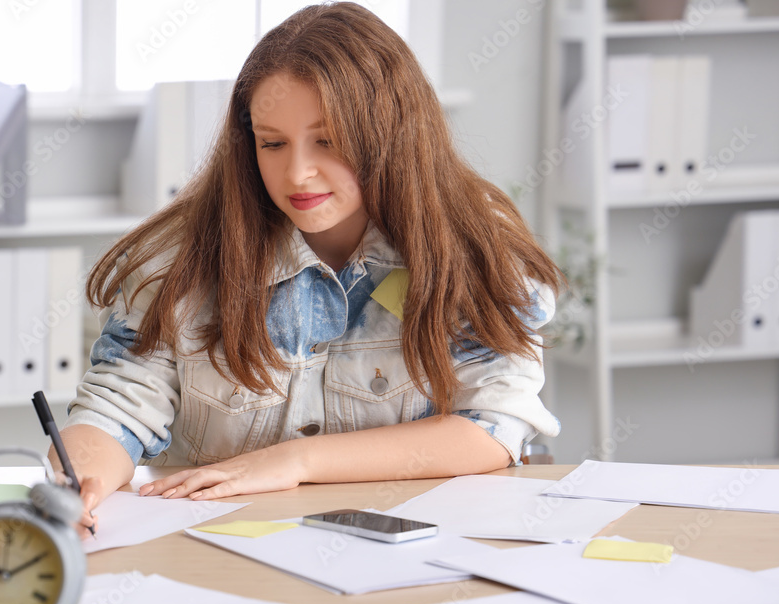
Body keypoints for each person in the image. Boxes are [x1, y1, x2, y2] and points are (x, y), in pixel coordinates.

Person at [48, 2, 563, 538]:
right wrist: (81, 475)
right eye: (272, 143)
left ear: (391, 134)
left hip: (414, 560)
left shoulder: (472, 247)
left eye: (328, 141)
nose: (296, 172)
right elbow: (119, 407)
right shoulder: (182, 257)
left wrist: (296, 461)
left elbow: (493, 428)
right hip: (223, 557)